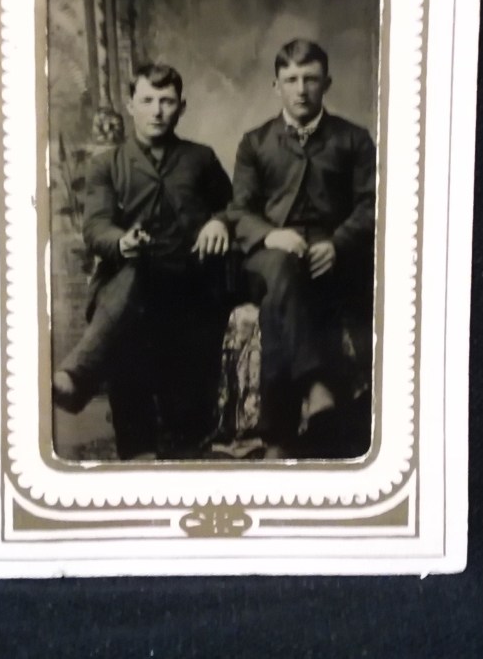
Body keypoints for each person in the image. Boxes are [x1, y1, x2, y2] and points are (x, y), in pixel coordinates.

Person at [53, 63, 233, 460]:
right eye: (148, 101)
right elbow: (96, 226)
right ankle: (90, 393)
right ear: (130, 105)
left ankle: (80, 379)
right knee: (132, 286)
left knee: (183, 418)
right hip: (129, 282)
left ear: (181, 108)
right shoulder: (107, 165)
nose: (157, 111)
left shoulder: (200, 159)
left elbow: (235, 207)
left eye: (166, 101)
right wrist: (122, 241)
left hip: (190, 278)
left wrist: (218, 222)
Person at [228, 39, 376, 459]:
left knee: (285, 299)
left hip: (332, 254)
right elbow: (240, 209)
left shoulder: (353, 139)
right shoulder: (255, 142)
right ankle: (317, 386)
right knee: (281, 273)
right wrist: (271, 235)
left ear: (327, 82)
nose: (301, 89)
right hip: (271, 253)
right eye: (291, 79)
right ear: (276, 85)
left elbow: (372, 202)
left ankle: (278, 437)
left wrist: (339, 243)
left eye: (310, 79)